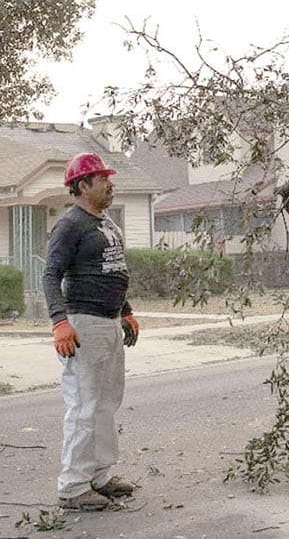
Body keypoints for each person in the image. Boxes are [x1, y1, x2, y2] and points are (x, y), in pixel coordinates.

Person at [42, 152, 140, 511]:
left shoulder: (106, 222)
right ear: (83, 186)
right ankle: (72, 487)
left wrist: (126, 312)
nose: (110, 184)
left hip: (110, 322)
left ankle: (98, 475)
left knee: (106, 403)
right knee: (84, 405)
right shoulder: (70, 225)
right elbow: (51, 275)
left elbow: (112, 270)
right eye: (102, 179)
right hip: (84, 323)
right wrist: (59, 322)